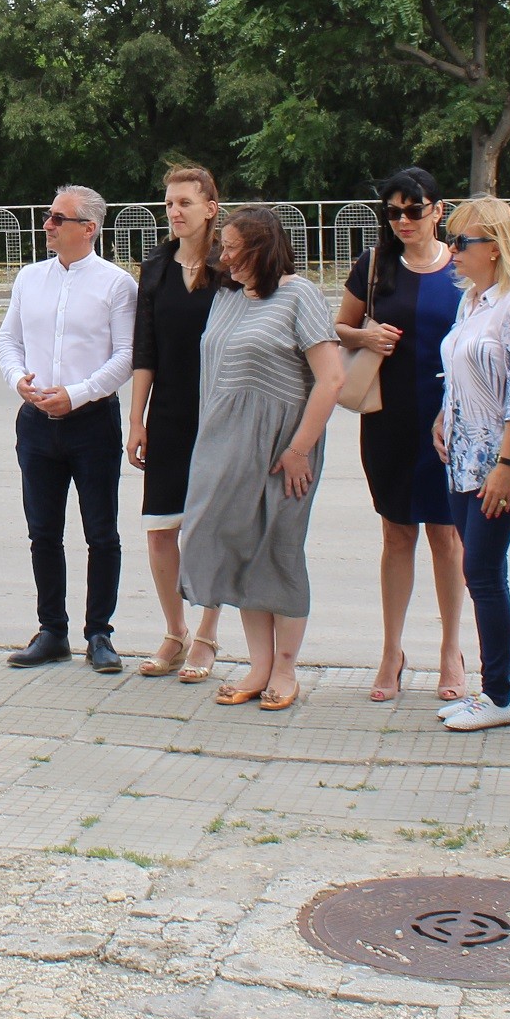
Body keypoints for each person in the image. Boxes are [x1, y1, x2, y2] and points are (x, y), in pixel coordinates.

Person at [179, 206, 349, 712]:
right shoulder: (227, 297)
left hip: (283, 447)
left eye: (232, 246)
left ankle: (285, 668)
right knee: (233, 545)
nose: (223, 256)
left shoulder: (300, 294)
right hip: (224, 442)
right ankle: (257, 666)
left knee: (278, 549)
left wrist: (298, 449)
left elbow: (332, 379)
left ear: (262, 247)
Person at [335, 168, 466, 703]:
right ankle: (392, 651)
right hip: (388, 416)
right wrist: (366, 334)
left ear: (438, 210)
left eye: (414, 210)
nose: (404, 220)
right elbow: (339, 327)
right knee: (396, 532)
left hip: (451, 418)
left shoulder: (462, 264)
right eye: (393, 212)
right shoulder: (373, 265)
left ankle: (452, 652)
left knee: (447, 536)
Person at [0, 184, 138, 673]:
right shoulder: (29, 278)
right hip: (37, 423)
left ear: (88, 228)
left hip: (91, 422)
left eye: (58, 218)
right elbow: (8, 338)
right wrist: (19, 380)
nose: (48, 225)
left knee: (101, 533)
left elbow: (126, 355)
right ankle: (52, 630)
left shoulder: (116, 285)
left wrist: (77, 393)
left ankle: (99, 632)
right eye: (48, 216)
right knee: (43, 532)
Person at [429, 197, 510, 732]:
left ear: (493, 249)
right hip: (461, 456)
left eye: (461, 243)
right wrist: (442, 416)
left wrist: (507, 459)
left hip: (499, 460)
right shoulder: (471, 302)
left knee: (482, 571)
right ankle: (489, 691)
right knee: (475, 569)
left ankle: (499, 695)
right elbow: (459, 370)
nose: (452, 251)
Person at [127, 165, 225, 681]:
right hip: (166, 414)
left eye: (185, 202)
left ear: (211, 207)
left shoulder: (230, 265)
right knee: (161, 530)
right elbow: (147, 348)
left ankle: (207, 636)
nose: (175, 212)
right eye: (169, 203)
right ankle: (175, 630)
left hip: (218, 414)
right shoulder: (158, 267)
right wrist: (136, 418)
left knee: (208, 530)